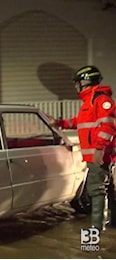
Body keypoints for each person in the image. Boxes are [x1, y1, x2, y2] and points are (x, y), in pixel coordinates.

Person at [51, 65, 116, 231]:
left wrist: (99, 150)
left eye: (77, 82)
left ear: (85, 81)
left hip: (99, 156)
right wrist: (60, 123)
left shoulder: (101, 100)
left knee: (96, 190)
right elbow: (80, 122)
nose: (75, 86)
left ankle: (95, 232)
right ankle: (111, 225)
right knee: (107, 189)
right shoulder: (90, 100)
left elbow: (108, 127)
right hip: (96, 155)